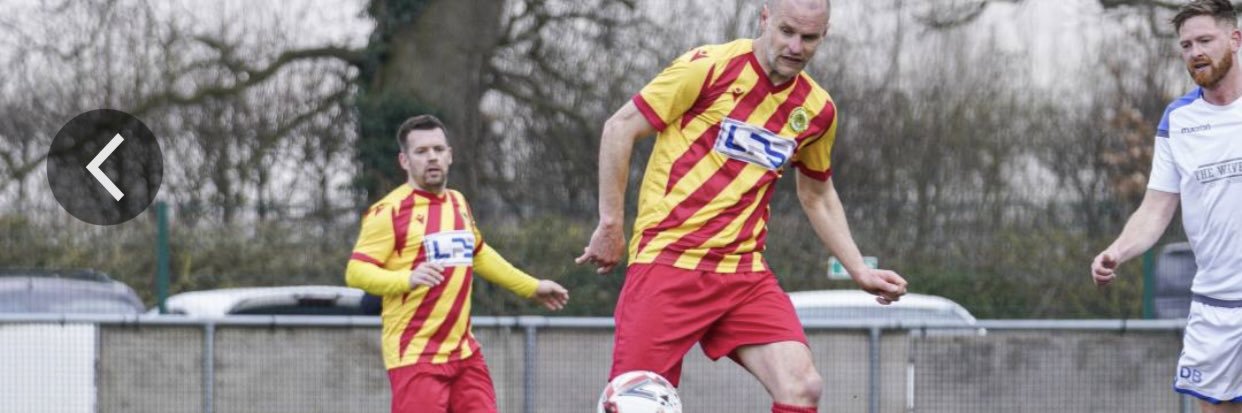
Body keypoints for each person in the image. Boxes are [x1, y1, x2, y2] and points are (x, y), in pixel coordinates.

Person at [574, 1, 908, 411]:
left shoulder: (817, 111)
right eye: (787, 31)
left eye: (809, 38)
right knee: (635, 401)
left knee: (802, 386)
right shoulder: (708, 67)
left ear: (825, 35)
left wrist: (859, 268)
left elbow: (817, 194)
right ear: (764, 18)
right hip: (669, 262)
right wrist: (611, 223)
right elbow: (619, 128)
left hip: (743, 274)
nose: (796, 46)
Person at [346, 114, 570, 413]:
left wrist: (532, 287)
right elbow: (356, 272)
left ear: (450, 155)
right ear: (404, 161)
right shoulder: (389, 211)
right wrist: (407, 279)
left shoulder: (457, 202)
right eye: (421, 152)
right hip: (416, 356)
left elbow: (478, 254)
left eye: (438, 149)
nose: (432, 157)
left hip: (464, 353)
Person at [1091, 1, 1242, 411]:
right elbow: (1156, 208)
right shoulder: (1178, 120)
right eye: (1186, 44)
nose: (1195, 52)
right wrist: (1116, 251)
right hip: (1216, 307)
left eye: (1205, 40)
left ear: (1235, 39)